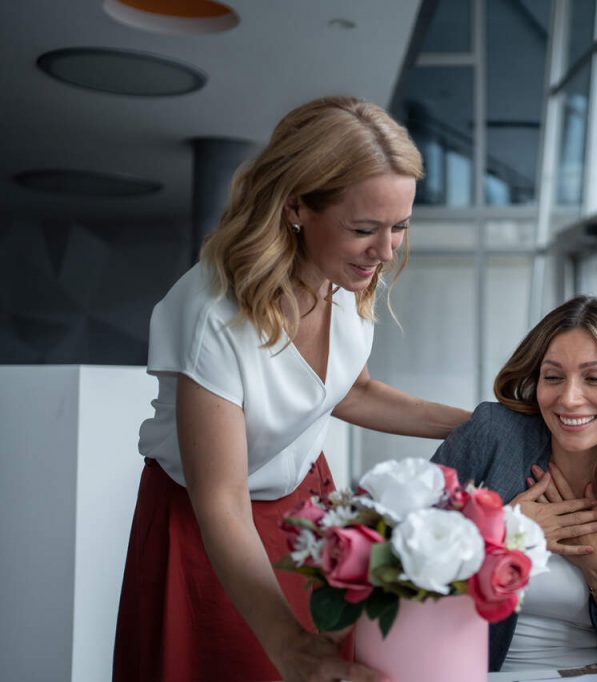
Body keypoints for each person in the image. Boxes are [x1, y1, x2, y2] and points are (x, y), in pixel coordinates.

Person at [113, 96, 471, 682]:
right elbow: (221, 500)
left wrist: (478, 422)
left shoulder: (345, 276)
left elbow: (352, 391)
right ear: (296, 207)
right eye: (364, 229)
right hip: (209, 530)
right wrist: (286, 646)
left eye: (400, 226)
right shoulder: (212, 314)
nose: (385, 252)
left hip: (307, 510)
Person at [432, 296, 597, 672]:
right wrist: (503, 531)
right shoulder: (493, 436)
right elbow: (394, 563)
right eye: (553, 377)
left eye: (595, 378)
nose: (569, 399)